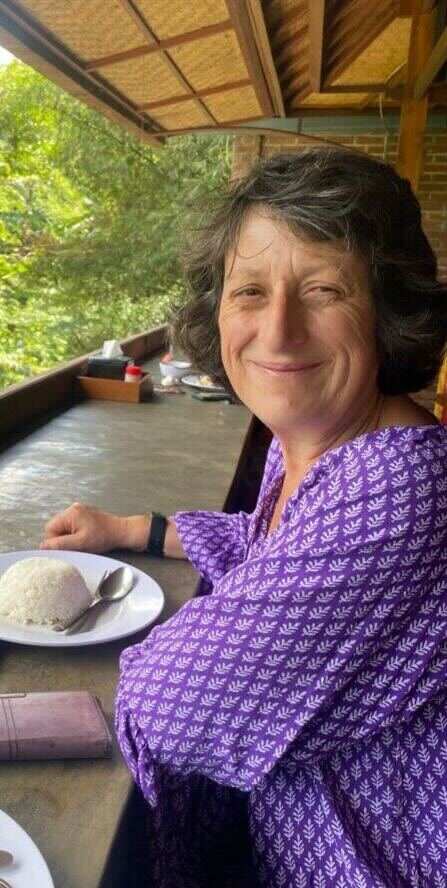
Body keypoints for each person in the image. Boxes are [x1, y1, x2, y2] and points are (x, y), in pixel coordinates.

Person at [42, 148, 447, 887]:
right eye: (250, 291)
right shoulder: (310, 447)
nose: (279, 331)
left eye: (324, 289)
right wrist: (135, 530)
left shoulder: (400, 487)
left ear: (388, 311)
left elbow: (173, 706)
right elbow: (273, 552)